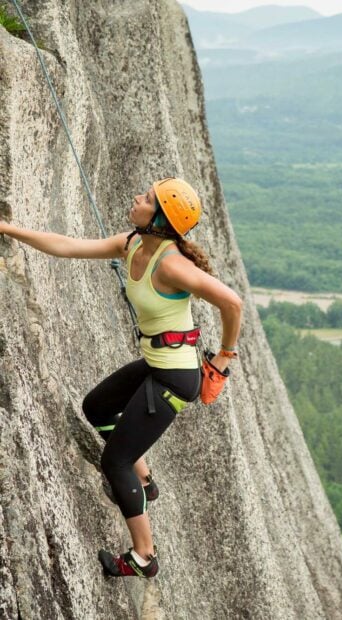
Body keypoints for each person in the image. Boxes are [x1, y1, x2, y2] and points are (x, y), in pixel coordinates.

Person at [0, 177, 242, 578]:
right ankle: (145, 484)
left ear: (161, 221)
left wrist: (222, 359)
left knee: (116, 461)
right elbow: (68, 246)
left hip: (176, 378)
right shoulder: (131, 244)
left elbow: (232, 302)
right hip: (156, 364)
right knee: (96, 408)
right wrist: (9, 230)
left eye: (147, 199)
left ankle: (144, 556)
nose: (136, 198)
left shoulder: (173, 265)